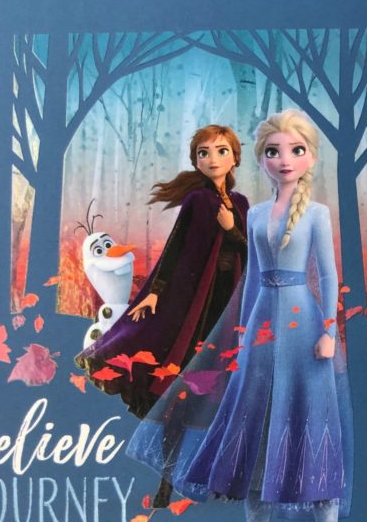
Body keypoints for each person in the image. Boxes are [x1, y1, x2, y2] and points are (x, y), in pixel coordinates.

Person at [128, 109, 354, 522]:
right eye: (273, 151)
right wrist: (240, 337)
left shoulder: (317, 214)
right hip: (260, 332)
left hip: (305, 328)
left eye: (295, 150)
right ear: (260, 159)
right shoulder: (253, 216)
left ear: (311, 158)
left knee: (315, 435)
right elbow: (250, 280)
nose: (284, 159)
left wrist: (329, 330)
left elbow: (329, 274)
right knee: (254, 445)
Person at [76, 124, 249, 417]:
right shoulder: (198, 199)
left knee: (219, 348)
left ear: (235, 157)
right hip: (196, 291)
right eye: (203, 153)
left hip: (229, 290)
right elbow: (175, 246)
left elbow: (249, 250)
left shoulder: (241, 203)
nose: (212, 159)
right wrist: (156, 291)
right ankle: (178, 407)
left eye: (221, 151)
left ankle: (208, 407)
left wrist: (231, 229)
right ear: (196, 161)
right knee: (186, 344)